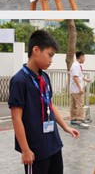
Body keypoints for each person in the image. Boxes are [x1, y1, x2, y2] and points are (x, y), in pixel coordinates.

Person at [9, 30, 80, 173]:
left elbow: (50, 105)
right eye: (50, 55)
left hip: (53, 144)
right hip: (35, 149)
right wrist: (25, 150)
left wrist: (65, 127)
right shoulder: (19, 81)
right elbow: (16, 118)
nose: (51, 60)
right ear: (36, 50)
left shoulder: (44, 77)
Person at [69, 51, 91, 128]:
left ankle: (74, 119)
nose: (84, 59)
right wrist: (80, 88)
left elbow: (79, 76)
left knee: (74, 105)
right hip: (76, 89)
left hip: (73, 89)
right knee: (80, 105)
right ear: (81, 57)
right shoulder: (76, 66)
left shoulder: (76, 65)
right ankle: (80, 120)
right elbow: (75, 77)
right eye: (84, 57)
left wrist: (86, 80)